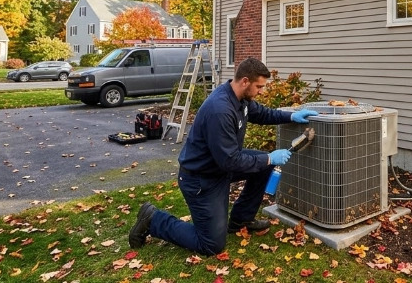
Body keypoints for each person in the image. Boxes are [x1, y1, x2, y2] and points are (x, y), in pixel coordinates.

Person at [128, 57, 318, 255]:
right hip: (201, 179)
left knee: (262, 164)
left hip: (220, 166)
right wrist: (270, 158)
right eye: (259, 87)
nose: (261, 91)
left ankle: (241, 219)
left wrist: (291, 115)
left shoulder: (240, 98)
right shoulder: (220, 109)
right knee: (211, 245)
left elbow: (261, 114)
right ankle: (153, 219)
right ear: (245, 81)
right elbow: (230, 161)